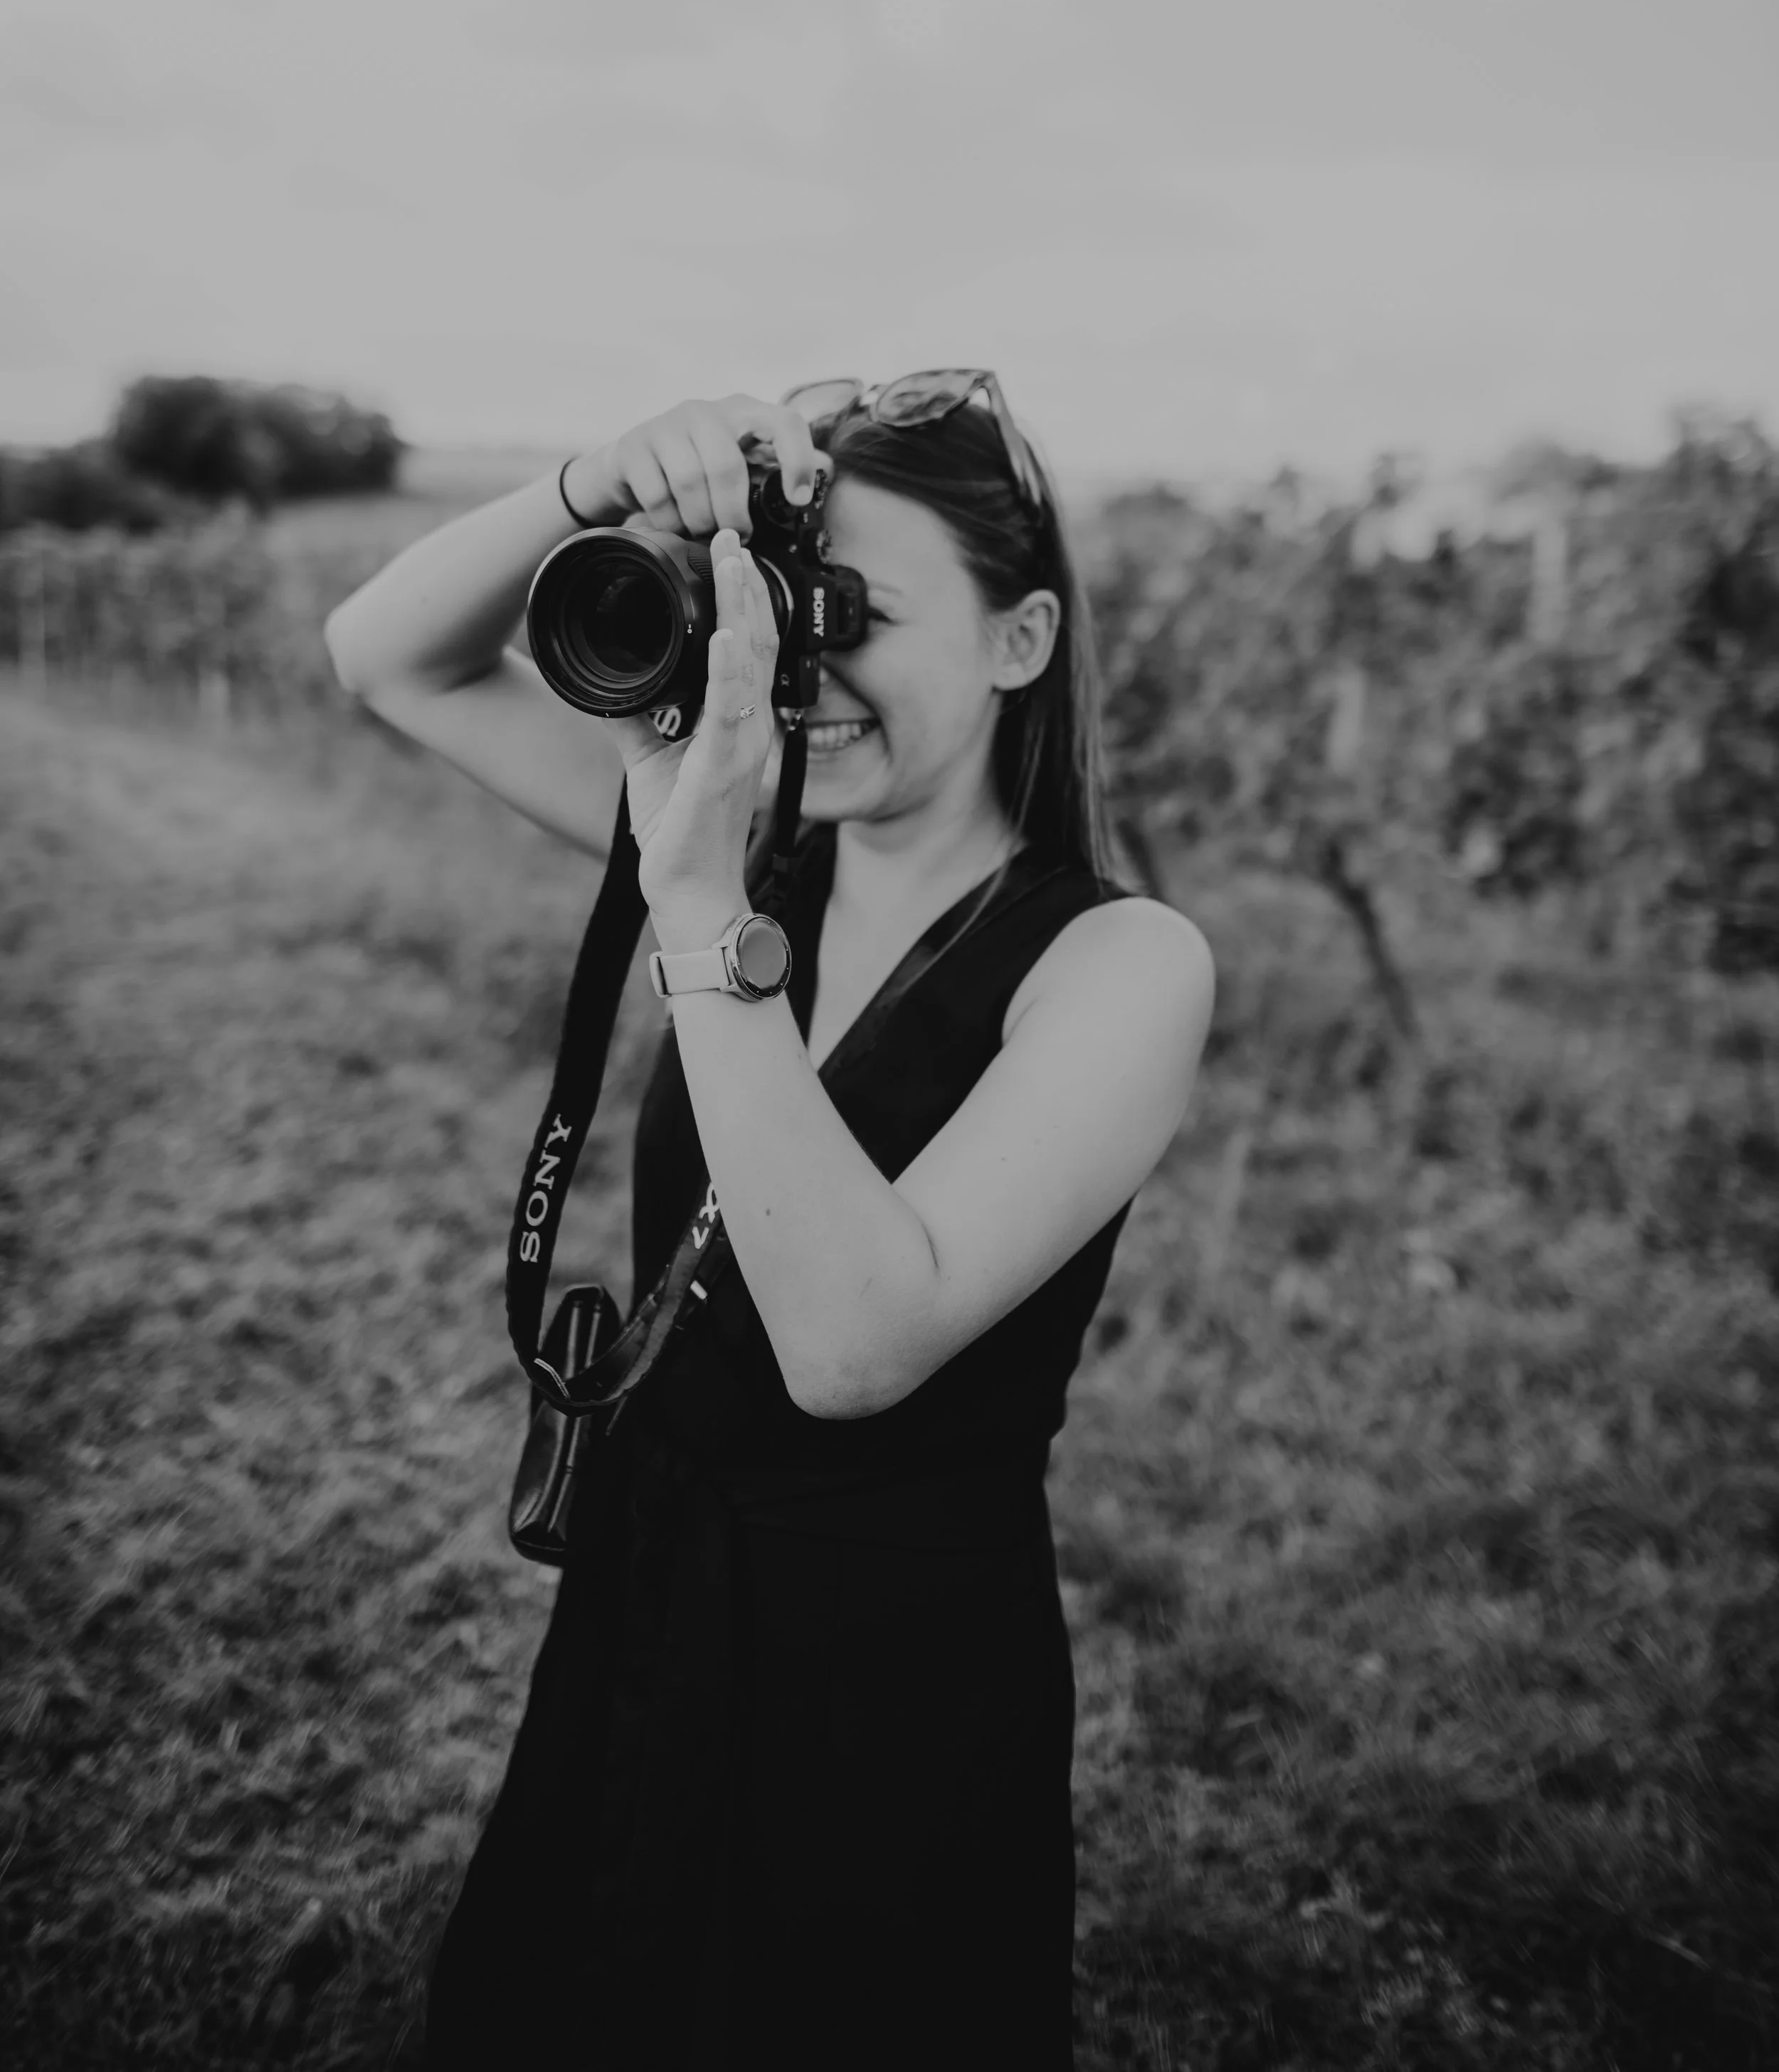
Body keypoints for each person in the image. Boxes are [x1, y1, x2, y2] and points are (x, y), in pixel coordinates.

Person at [323, 379, 1214, 2071]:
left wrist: (693, 901)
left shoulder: (1117, 961)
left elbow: (854, 1345)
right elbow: (384, 658)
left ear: (1021, 638)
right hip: (647, 1586)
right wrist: (595, 476)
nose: (806, 667)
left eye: (853, 615)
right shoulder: (746, 849)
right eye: (780, 610)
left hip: (881, 1675)